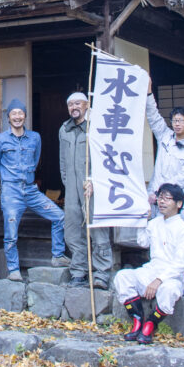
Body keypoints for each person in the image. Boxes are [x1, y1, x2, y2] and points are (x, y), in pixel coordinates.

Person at [0, 98, 68, 281]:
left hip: (31, 190)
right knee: (11, 231)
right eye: (13, 113)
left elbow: (35, 160)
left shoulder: (35, 137)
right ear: (8, 117)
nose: (17, 117)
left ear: (25, 116)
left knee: (59, 216)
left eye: (20, 113)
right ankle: (13, 269)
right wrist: (10, 177)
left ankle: (57, 255)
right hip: (11, 191)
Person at [112, 183, 184, 345]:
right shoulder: (155, 223)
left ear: (179, 204)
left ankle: (151, 324)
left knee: (169, 291)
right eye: (160, 197)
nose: (162, 202)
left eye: (167, 198)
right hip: (152, 269)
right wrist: (144, 219)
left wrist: (159, 280)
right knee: (122, 277)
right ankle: (137, 320)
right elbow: (143, 242)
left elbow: (181, 264)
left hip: (171, 275)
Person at [145, 78, 184, 293]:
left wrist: (162, 194)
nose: (177, 124)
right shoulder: (166, 137)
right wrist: (149, 94)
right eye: (175, 120)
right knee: (157, 238)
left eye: (181, 121)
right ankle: (157, 278)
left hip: (179, 202)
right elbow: (154, 118)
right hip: (158, 200)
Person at [59, 91, 112, 289]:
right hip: (72, 187)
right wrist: (67, 181)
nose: (74, 107)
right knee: (73, 230)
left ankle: (101, 273)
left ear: (87, 105)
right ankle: (79, 272)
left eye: (78, 104)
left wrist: (95, 180)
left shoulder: (96, 126)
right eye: (70, 104)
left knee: (97, 230)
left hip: (93, 185)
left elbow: (106, 158)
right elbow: (62, 160)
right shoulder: (64, 129)